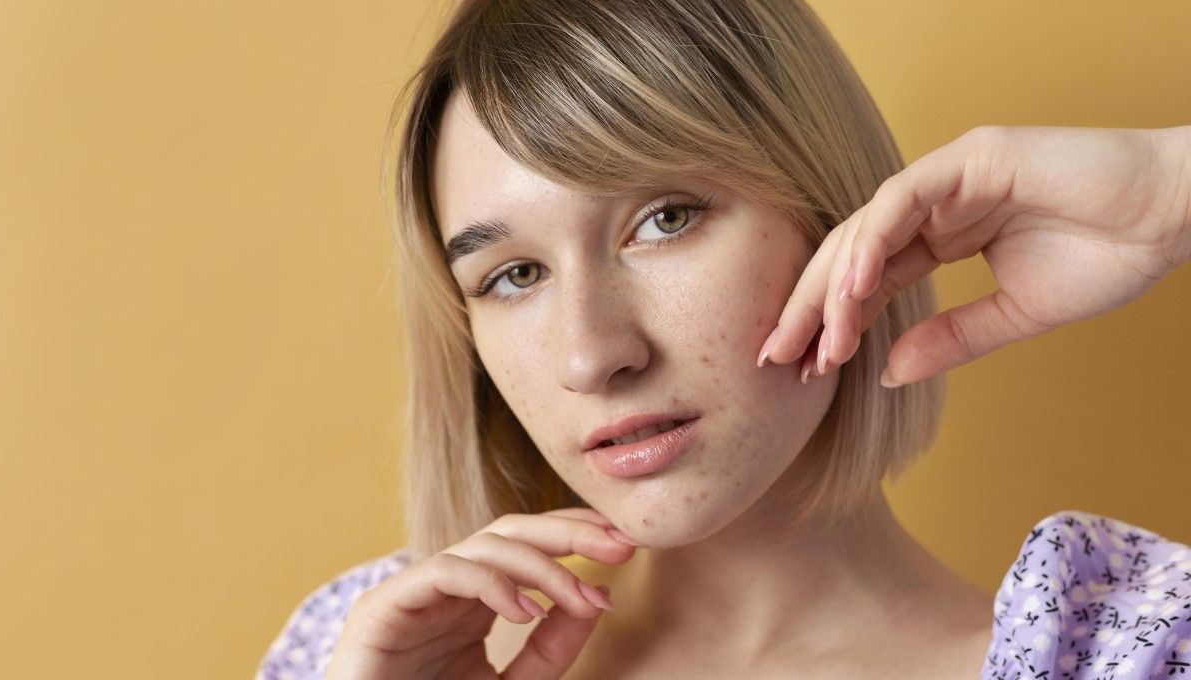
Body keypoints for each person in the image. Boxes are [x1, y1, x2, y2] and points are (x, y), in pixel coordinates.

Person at [256, 1, 1191, 678]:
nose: (592, 356)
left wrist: (1166, 187)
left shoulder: (1129, 650)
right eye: (514, 276)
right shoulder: (361, 651)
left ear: (835, 213)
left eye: (665, 219)